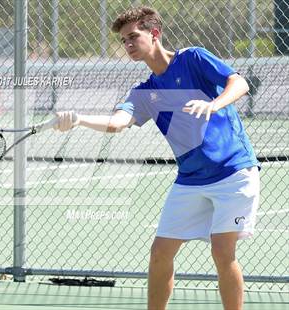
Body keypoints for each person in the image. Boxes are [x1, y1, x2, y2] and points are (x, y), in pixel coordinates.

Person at [54, 6, 260, 310]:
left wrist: (214, 105)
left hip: (233, 172)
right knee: (160, 252)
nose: (128, 46)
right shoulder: (143, 93)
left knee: (222, 251)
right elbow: (116, 124)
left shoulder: (193, 58)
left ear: (155, 33)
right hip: (190, 180)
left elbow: (240, 83)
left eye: (133, 37)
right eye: (124, 41)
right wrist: (78, 119)